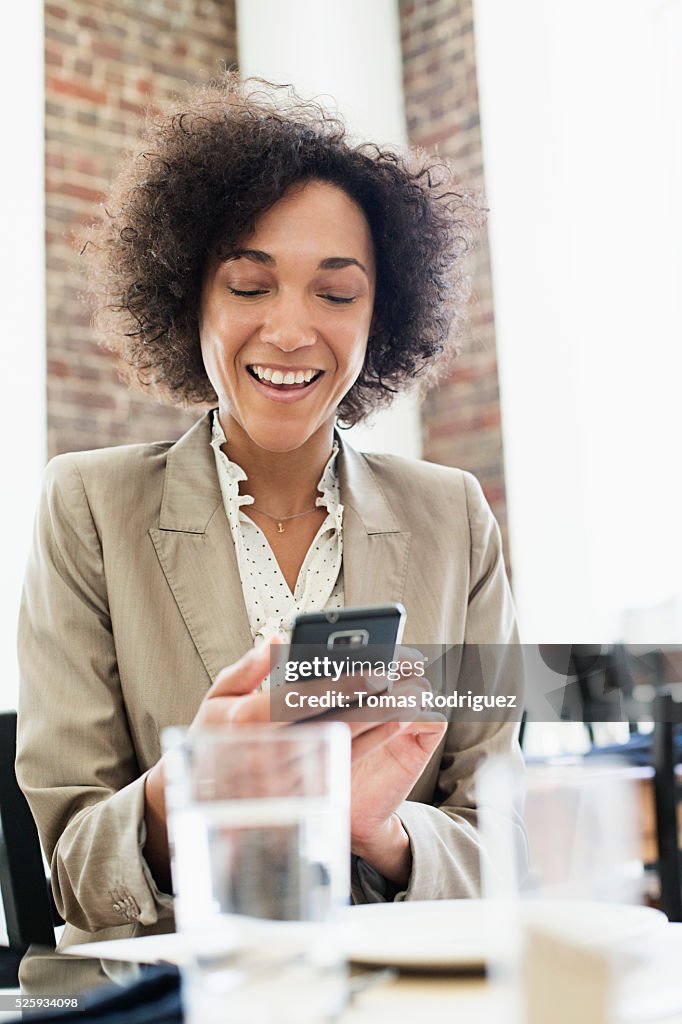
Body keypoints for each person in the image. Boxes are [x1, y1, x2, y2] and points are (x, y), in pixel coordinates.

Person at [16, 74, 523, 948]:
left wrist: (387, 834)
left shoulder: (454, 520)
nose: (291, 331)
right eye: (250, 286)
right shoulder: (88, 506)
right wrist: (189, 788)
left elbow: (503, 839)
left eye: (335, 294)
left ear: (382, 314)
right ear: (190, 300)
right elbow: (72, 864)